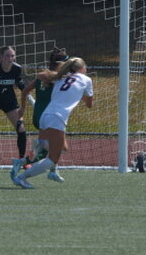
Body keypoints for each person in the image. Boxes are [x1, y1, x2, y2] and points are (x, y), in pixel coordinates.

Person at [11, 57, 93, 189]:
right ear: (83, 69)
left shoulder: (61, 78)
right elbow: (89, 104)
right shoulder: (86, 80)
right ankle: (21, 178)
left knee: (54, 149)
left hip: (45, 116)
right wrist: (81, 94)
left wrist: (57, 76)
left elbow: (41, 75)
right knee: (53, 158)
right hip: (57, 118)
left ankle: (24, 161)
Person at [13, 47, 69, 183]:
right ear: (61, 64)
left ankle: (53, 171)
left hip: (39, 115)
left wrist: (23, 109)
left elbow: (25, 91)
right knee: (58, 148)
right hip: (49, 117)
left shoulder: (42, 75)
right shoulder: (57, 79)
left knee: (52, 147)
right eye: (67, 63)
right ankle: (21, 162)